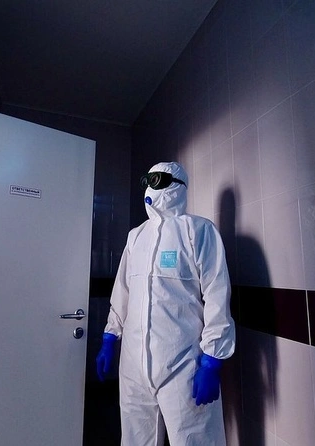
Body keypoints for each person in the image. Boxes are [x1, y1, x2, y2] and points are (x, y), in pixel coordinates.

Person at [96, 161, 235, 445]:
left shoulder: (198, 231)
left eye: (156, 180)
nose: (149, 187)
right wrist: (110, 337)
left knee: (195, 439)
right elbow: (123, 291)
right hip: (133, 366)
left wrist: (212, 360)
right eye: (146, 180)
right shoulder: (137, 236)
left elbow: (217, 295)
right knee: (136, 439)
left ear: (177, 186)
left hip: (183, 364)